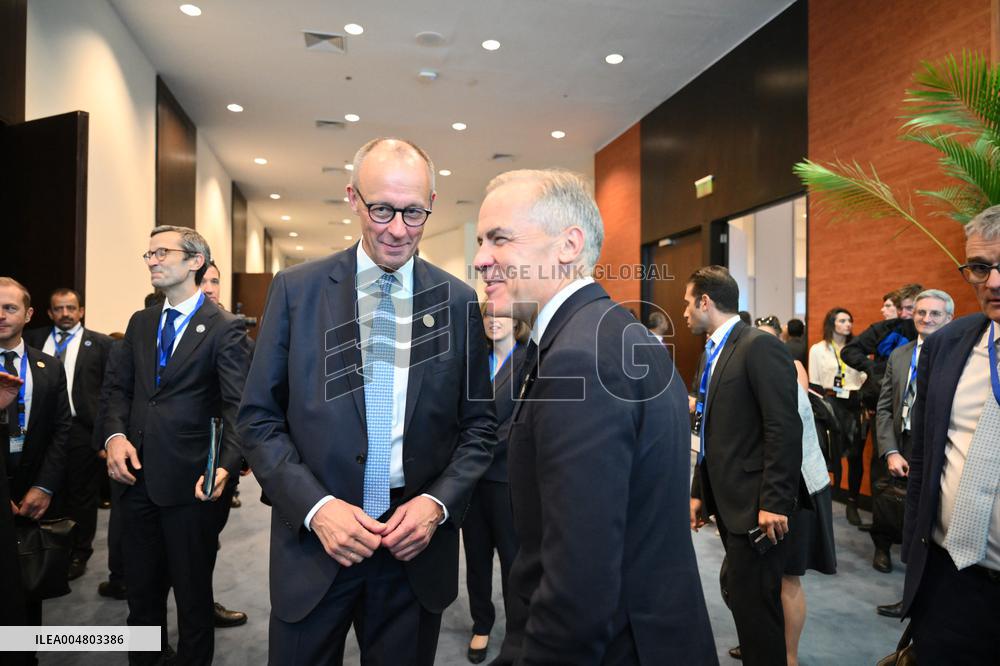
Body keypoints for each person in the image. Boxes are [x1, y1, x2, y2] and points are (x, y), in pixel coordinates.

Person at [238, 138, 497, 666]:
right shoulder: (297, 290)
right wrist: (318, 508)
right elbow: (258, 419)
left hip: (412, 548)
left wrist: (436, 505)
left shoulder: (457, 301)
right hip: (315, 539)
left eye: (413, 212)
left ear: (432, 203)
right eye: (381, 209)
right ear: (353, 198)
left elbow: (478, 429)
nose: (398, 229)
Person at [475, 169, 716, 665]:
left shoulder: (577, 358)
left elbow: (578, 585)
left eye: (499, 239)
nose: (481, 259)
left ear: (568, 245)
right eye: (481, 241)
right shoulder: (612, 333)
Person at [102, 227, 251, 664]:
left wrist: (225, 465)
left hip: (193, 484)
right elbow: (118, 390)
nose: (151, 260)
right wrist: (113, 437)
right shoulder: (141, 322)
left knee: (191, 597)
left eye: (161, 252)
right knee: (141, 595)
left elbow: (238, 407)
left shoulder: (226, 329)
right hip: (136, 480)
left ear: (194, 261)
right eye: (148, 253)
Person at [686, 266, 803, 666]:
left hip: (757, 506)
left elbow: (784, 428)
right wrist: (699, 493)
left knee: (757, 614)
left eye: (688, 302)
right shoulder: (711, 351)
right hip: (728, 500)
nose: (684, 311)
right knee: (744, 603)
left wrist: (774, 501)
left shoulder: (758, 346)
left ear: (705, 301)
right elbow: (709, 430)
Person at [901, 205, 1000, 661]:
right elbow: (923, 457)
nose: (992, 283)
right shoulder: (947, 345)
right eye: (980, 267)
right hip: (948, 579)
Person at [725, 319, 837, 665]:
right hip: (768, 484)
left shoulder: (790, 368)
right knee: (743, 577)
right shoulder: (753, 366)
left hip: (797, 485)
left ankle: (788, 656)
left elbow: (784, 430)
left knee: (787, 578)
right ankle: (762, 639)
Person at [871, 289, 953, 617]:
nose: (926, 319)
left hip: (936, 451)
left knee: (929, 526)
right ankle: (908, 595)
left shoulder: (955, 358)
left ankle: (923, 602)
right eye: (920, 312)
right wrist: (890, 450)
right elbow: (884, 408)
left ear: (949, 318)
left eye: (935, 314)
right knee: (900, 517)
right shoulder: (900, 354)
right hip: (900, 445)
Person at [23, 288, 112, 581]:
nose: (65, 314)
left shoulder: (100, 344)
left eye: (71, 308)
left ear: (81, 311)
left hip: (81, 431)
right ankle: (44, 548)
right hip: (38, 429)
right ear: (49, 313)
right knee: (46, 488)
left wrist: (105, 435)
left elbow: (110, 394)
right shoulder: (33, 339)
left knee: (81, 496)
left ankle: (79, 552)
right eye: (59, 309)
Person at [0, 277, 72, 636]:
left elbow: (62, 432)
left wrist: (44, 486)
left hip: (30, 494)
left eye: (10, 308)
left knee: (25, 590)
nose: (0, 315)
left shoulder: (48, 366)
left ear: (28, 314)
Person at [461, 306, 528, 664]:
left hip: (506, 478)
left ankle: (518, 632)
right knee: (476, 557)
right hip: (471, 483)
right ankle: (481, 623)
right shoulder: (475, 361)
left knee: (513, 559)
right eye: (488, 316)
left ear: (517, 322)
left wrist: (474, 448)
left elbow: (522, 422)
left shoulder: (528, 360)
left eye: (501, 316)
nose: (493, 321)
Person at [196, 260, 249, 629]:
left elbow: (242, 401)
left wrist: (238, 454)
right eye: (203, 280)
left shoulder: (233, 334)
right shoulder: (151, 326)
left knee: (204, 541)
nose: (210, 287)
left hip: (215, 455)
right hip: (165, 455)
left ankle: (200, 604)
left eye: (216, 280)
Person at [808, 308, 867, 525]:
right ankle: (826, 502)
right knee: (830, 456)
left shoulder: (857, 349)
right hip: (830, 404)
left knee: (855, 457)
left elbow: (864, 375)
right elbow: (814, 383)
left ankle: (852, 503)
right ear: (832, 323)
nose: (848, 324)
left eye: (850, 320)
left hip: (854, 404)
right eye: (842, 320)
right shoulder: (818, 349)